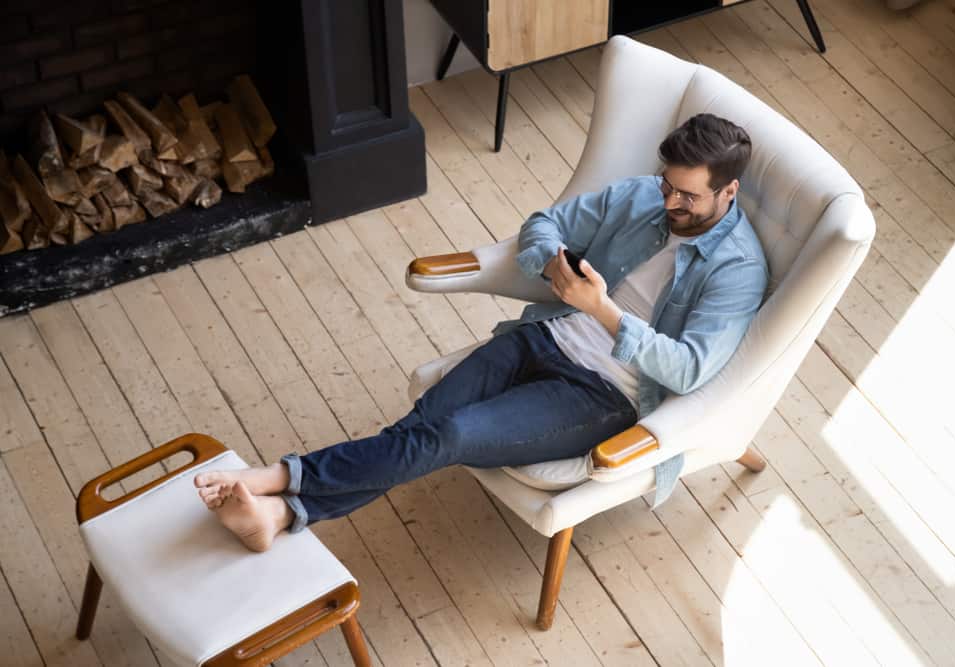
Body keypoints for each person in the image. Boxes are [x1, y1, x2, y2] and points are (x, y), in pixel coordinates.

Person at [193, 113, 769, 552]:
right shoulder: (646, 195)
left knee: (446, 435)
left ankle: (276, 478)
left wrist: (603, 311)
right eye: (668, 185)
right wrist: (554, 270)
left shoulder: (737, 269)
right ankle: (283, 515)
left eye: (687, 196)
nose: (669, 202)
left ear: (729, 191)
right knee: (417, 428)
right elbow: (544, 224)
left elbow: (691, 369)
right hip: (544, 337)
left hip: (605, 394)